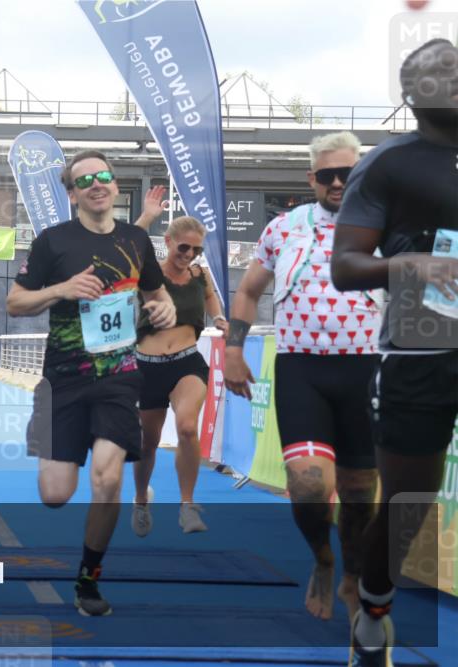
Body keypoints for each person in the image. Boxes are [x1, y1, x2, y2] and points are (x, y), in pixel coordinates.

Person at [330, 39, 458, 666]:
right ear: (413, 96)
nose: (455, 77)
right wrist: (409, 263)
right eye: (440, 72)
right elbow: (345, 266)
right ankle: (374, 606)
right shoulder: (387, 165)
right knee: (410, 504)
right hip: (422, 346)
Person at [7, 150, 176, 615]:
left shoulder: (137, 240)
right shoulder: (52, 242)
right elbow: (15, 302)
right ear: (72, 192)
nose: (96, 185)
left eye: (103, 176)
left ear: (115, 185)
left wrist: (166, 309)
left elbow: (158, 296)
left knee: (106, 479)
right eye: (85, 181)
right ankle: (43, 427)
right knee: (56, 494)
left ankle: (88, 580)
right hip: (63, 379)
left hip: (120, 376)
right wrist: (61, 290)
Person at [224, 131, 381, 623]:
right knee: (309, 484)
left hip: (366, 369)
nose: (339, 183)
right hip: (301, 368)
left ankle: (353, 572)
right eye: (328, 175)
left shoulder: (389, 226)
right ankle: (323, 559)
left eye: (348, 174)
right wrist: (232, 348)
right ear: (312, 178)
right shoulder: (283, 228)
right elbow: (249, 291)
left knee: (359, 493)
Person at [129, 186, 229, 535]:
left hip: (187, 362)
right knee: (147, 441)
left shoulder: (200, 276)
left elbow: (212, 301)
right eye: (183, 246)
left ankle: (187, 505)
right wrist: (148, 215)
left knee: (188, 427)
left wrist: (219, 319)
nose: (189, 254)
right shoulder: (148, 271)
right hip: (147, 365)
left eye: (196, 249)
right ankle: (141, 500)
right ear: (169, 242)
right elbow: (124, 246)